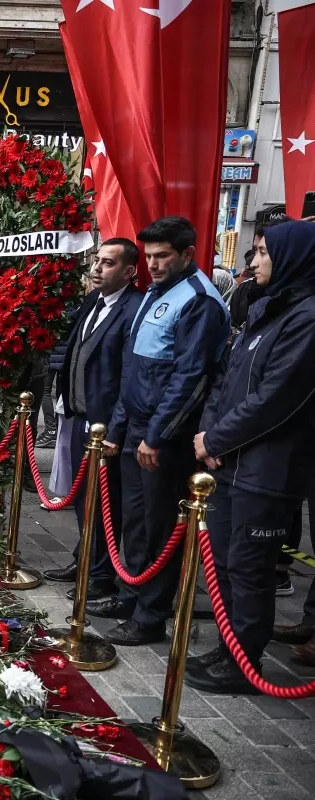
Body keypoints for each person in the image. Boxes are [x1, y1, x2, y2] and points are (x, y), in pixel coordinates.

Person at [87, 217, 230, 646]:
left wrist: (158, 436)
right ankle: (133, 593)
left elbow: (190, 378)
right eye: (148, 256)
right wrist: (118, 429)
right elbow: (134, 370)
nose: (154, 264)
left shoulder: (199, 300)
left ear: (187, 253)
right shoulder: (155, 292)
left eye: (163, 255)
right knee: (134, 521)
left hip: (162, 437)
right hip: (134, 430)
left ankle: (152, 614)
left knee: (159, 526)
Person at [186, 220, 315, 694]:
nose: (254, 261)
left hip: (266, 470)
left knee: (249, 567)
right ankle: (228, 647)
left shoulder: (307, 319)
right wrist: (210, 435)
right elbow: (227, 380)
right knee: (221, 564)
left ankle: (244, 660)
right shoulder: (268, 310)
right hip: (230, 463)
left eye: (262, 252)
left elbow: (276, 399)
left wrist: (216, 441)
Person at [42, 239, 143, 597]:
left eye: (108, 263)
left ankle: (100, 575)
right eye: (97, 261)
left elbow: (129, 376)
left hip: (106, 424)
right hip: (79, 416)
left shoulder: (133, 309)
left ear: (129, 272)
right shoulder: (93, 301)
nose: (97, 268)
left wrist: (114, 428)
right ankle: (84, 557)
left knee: (104, 503)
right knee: (84, 499)